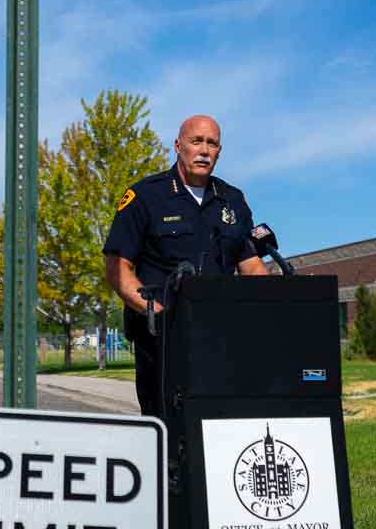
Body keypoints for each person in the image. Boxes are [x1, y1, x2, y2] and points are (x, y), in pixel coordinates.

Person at [103, 115, 267, 416]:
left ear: (219, 151)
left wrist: (271, 308)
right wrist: (160, 315)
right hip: (162, 344)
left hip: (220, 339)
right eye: (196, 141)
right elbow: (117, 268)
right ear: (178, 146)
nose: (204, 150)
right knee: (169, 434)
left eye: (212, 143)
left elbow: (252, 266)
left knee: (221, 429)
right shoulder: (145, 197)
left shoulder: (232, 200)